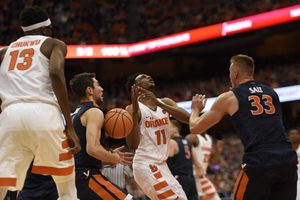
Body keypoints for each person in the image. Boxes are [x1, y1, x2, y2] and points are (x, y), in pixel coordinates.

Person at [189, 54, 298, 200]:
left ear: (235, 73)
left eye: (230, 73)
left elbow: (195, 128)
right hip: (287, 157)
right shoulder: (272, 92)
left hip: (261, 158)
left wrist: (195, 109)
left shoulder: (230, 97)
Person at [0, 6, 81, 200]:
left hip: (10, 116)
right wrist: (69, 126)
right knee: (66, 185)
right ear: (45, 29)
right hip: (44, 114)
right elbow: (55, 72)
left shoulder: (4, 52)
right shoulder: (54, 44)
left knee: (2, 185)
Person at [125, 73, 190, 200]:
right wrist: (133, 113)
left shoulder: (165, 102)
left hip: (162, 165)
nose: (148, 77)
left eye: (148, 75)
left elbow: (188, 119)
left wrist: (159, 104)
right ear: (136, 87)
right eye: (143, 77)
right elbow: (132, 145)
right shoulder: (133, 109)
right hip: (146, 164)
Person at [69, 72, 133, 200]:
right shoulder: (94, 112)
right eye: (98, 85)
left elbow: (80, 152)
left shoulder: (75, 114)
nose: (102, 89)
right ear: (90, 90)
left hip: (74, 174)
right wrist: (113, 158)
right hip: (86, 176)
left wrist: (104, 157)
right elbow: (92, 149)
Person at [167, 119, 204, 200]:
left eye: (168, 127)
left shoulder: (172, 142)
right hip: (191, 179)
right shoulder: (189, 142)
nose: (166, 130)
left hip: (179, 179)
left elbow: (168, 165)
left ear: (175, 129)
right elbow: (197, 164)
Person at [186, 132, 223, 200]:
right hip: (191, 174)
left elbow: (213, 160)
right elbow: (181, 147)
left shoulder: (209, 138)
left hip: (200, 176)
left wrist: (219, 151)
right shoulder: (193, 137)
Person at [288, 129, 300, 200]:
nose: (294, 136)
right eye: (292, 134)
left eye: (296, 134)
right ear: (288, 136)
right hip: (288, 178)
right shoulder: (284, 150)